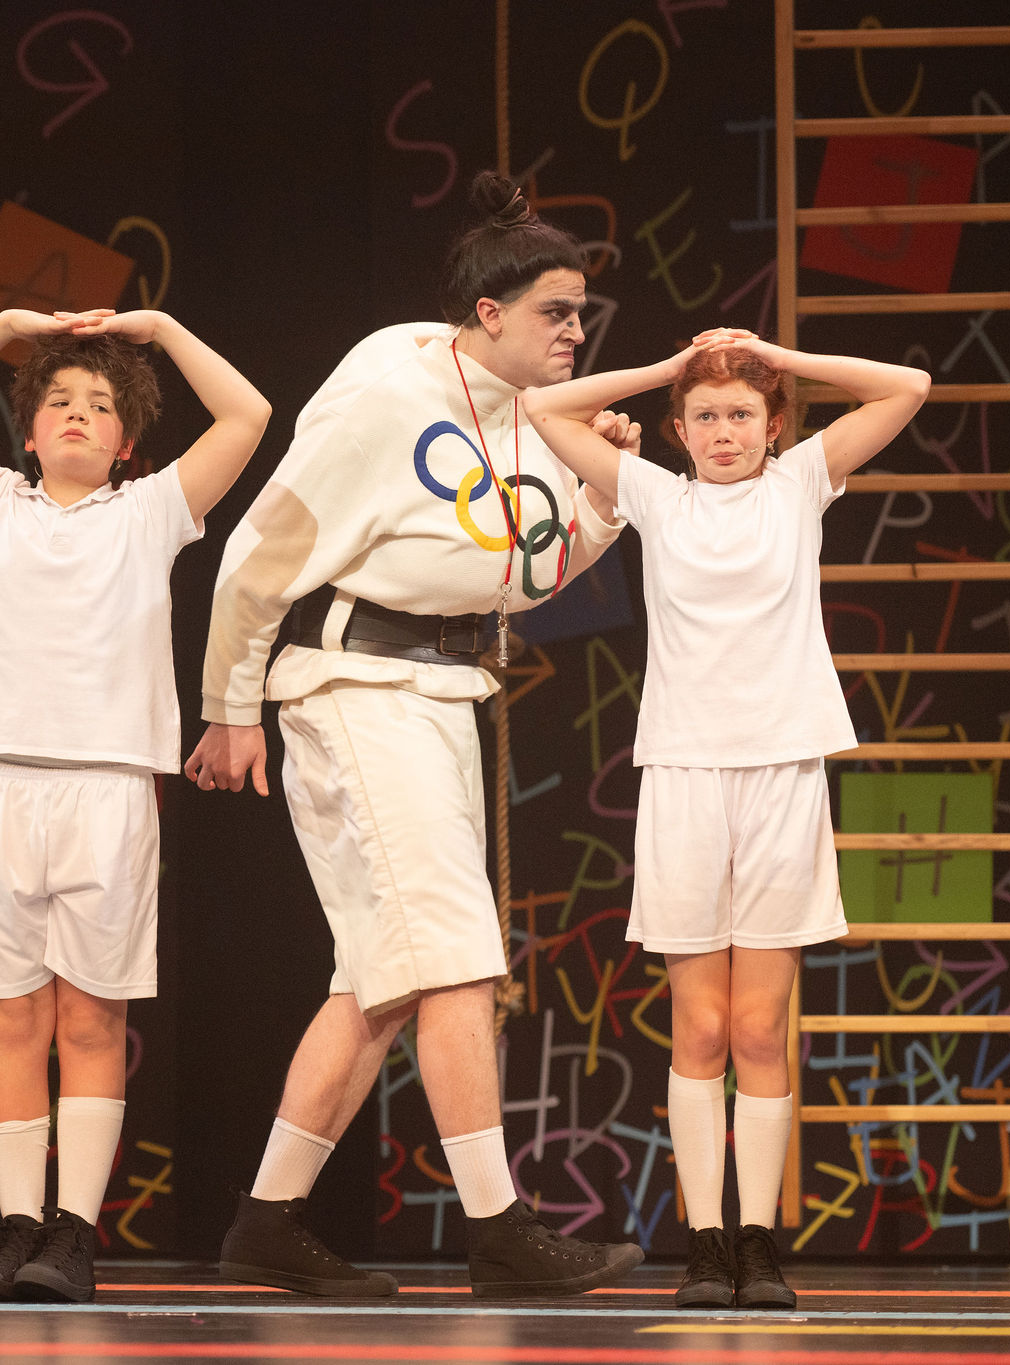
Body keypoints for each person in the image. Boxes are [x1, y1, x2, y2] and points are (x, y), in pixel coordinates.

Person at [186, 172, 644, 1297]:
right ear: (488, 312)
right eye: (554, 311)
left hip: (440, 692)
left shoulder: (534, 417)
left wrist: (603, 500)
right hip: (356, 684)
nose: (574, 330)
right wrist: (228, 706)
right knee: (454, 960)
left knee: (382, 982)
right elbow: (260, 550)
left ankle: (267, 1217)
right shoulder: (391, 386)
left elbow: (521, 577)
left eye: (579, 312)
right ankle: (498, 1226)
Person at [522, 330, 929, 1309]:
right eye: (702, 416)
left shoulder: (798, 483)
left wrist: (772, 352)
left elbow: (906, 385)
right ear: (678, 428)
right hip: (684, 774)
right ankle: (704, 1244)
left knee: (757, 1029)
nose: (722, 431)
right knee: (698, 1027)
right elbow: (541, 408)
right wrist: (669, 369)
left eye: (740, 413)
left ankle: (758, 1242)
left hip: (782, 771)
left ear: (772, 423)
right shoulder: (657, 495)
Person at [0, 306, 269, 1302]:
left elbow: (247, 415)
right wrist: (6, 326)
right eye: (57, 400)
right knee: (10, 1015)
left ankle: (74, 1233)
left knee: (91, 1019)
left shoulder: (151, 511)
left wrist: (164, 329)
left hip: (108, 783)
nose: (76, 414)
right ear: (28, 430)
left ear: (125, 442)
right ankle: (16, 1223)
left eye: (99, 406)